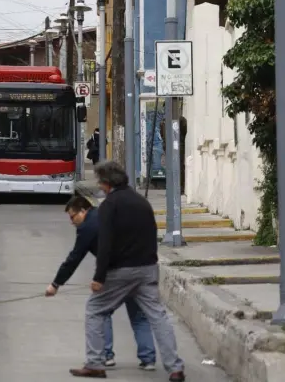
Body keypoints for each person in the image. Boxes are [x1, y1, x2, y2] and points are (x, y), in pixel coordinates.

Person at [69, 160, 185, 381]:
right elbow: (152, 235)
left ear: (106, 182)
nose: (99, 185)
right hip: (148, 268)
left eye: (99, 180)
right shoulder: (142, 202)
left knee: (95, 309)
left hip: (121, 271)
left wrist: (99, 277)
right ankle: (175, 368)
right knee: (158, 317)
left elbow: (105, 244)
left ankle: (95, 362)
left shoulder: (109, 205)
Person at [46, 196, 157, 370]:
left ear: (83, 211)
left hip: (114, 273)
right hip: (137, 268)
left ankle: (105, 355)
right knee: (139, 316)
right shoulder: (107, 215)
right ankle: (148, 359)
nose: (71, 222)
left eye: (72, 216)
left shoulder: (88, 227)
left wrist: (56, 284)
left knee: (99, 311)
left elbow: (74, 258)